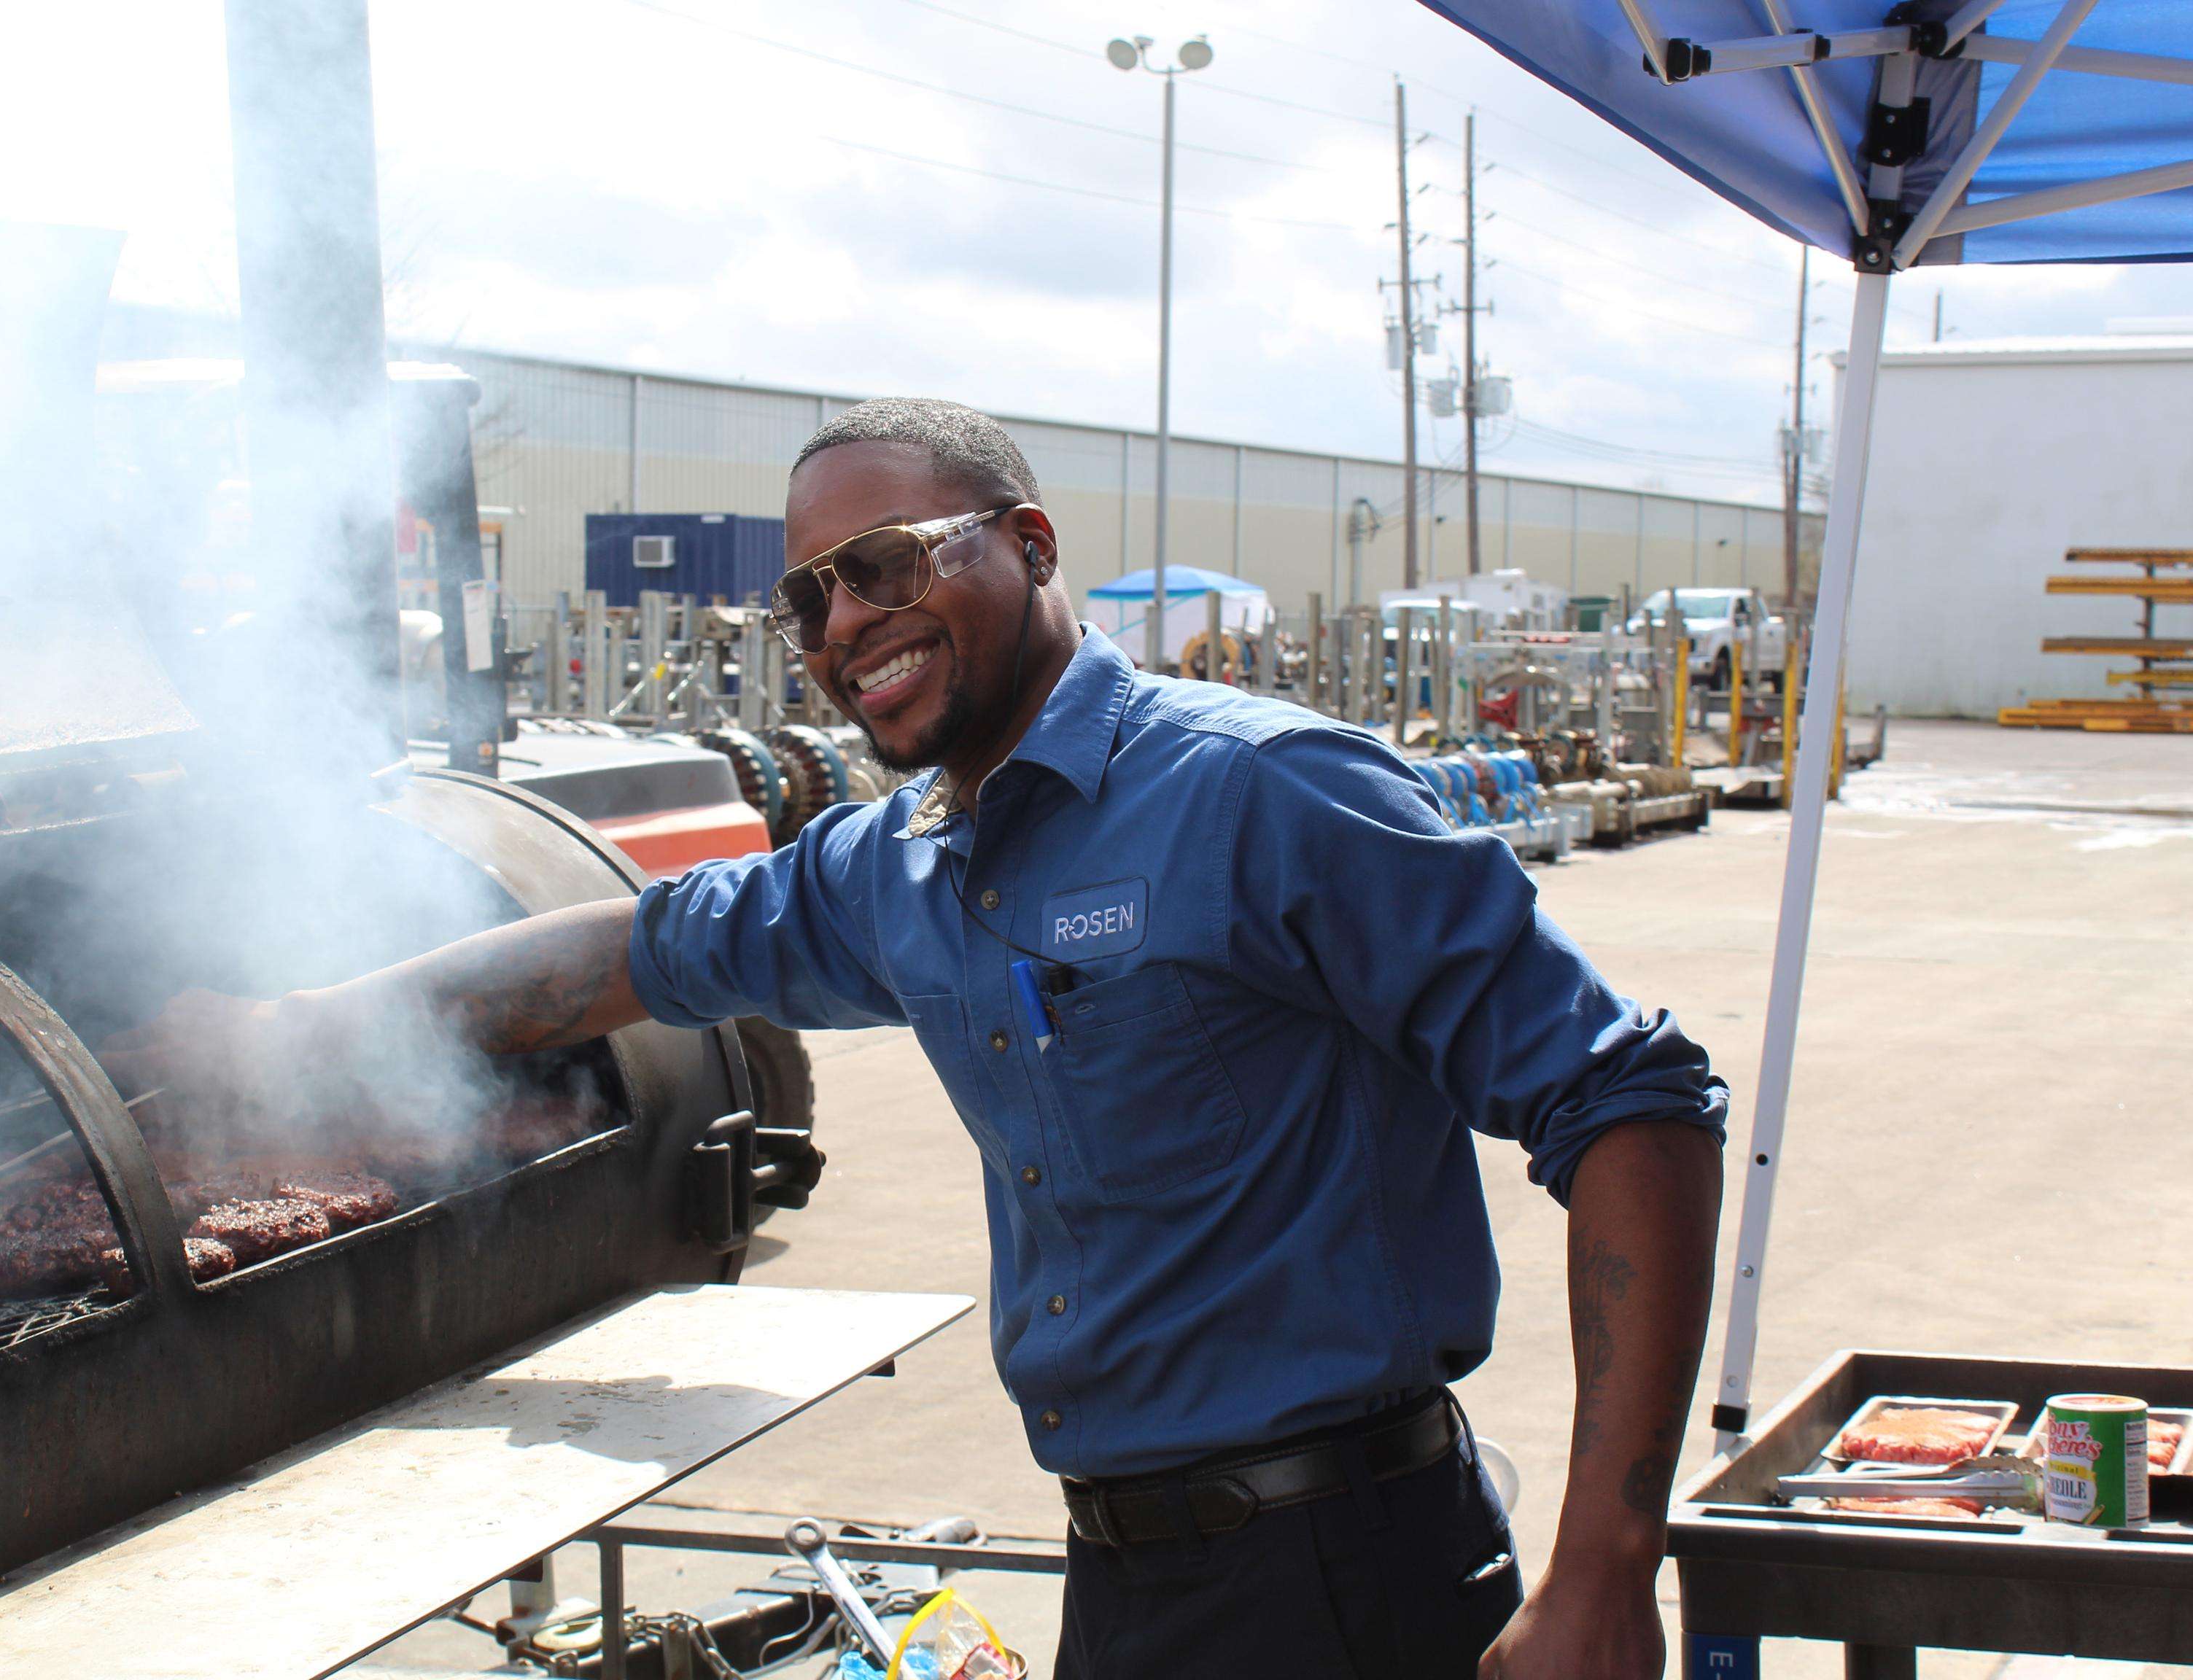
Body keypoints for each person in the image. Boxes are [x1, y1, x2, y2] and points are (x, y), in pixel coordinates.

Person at [106, 398, 1726, 1679]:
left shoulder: (1261, 792)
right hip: (1131, 1573)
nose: (841, 619)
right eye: (809, 593)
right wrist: (310, 1027)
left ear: (1026, 542)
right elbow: (632, 955)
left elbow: (1635, 1105)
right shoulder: (906, 865)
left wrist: (1602, 1574)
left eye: (886, 560)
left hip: (1341, 1577)